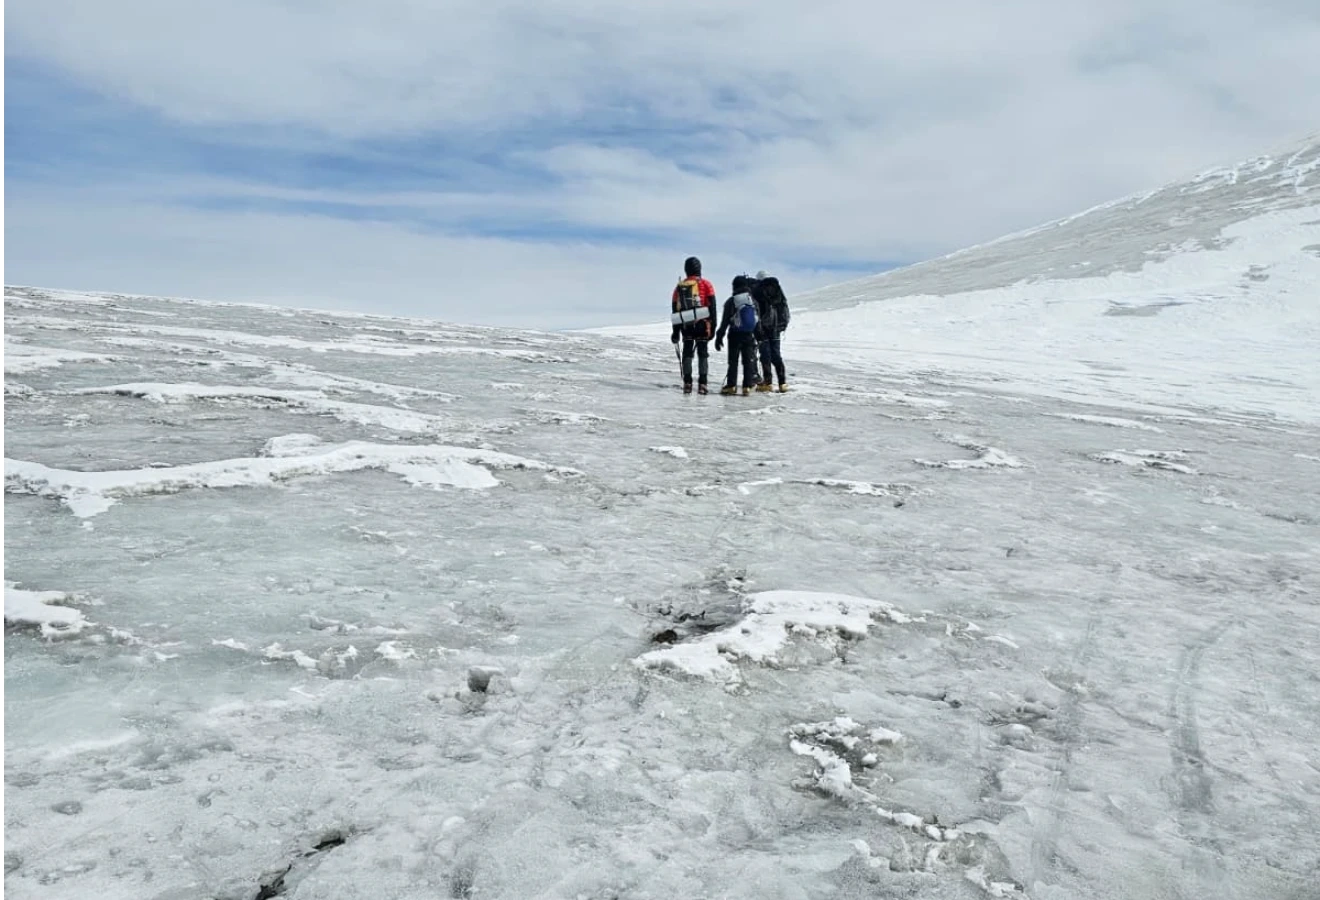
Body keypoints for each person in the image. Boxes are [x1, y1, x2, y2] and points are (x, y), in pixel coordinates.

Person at [670, 256, 718, 394]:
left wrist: (675, 332)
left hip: (686, 324)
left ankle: (687, 383)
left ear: (686, 269)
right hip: (703, 324)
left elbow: (675, 310)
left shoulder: (679, 287)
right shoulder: (707, 284)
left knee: (687, 353)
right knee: (703, 353)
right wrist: (713, 328)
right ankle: (702, 384)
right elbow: (712, 308)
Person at [715, 275, 760, 395]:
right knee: (748, 361)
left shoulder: (731, 301)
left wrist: (719, 337)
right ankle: (747, 386)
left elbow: (725, 322)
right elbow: (757, 320)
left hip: (734, 335)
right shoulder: (752, 301)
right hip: (749, 335)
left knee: (733, 361)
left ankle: (731, 386)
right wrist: (759, 336)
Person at [752, 270, 790, 392]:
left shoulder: (758, 290)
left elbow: (756, 310)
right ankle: (782, 382)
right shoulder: (778, 290)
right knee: (776, 355)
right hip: (777, 328)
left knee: (765, 355)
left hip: (764, 328)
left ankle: (767, 382)